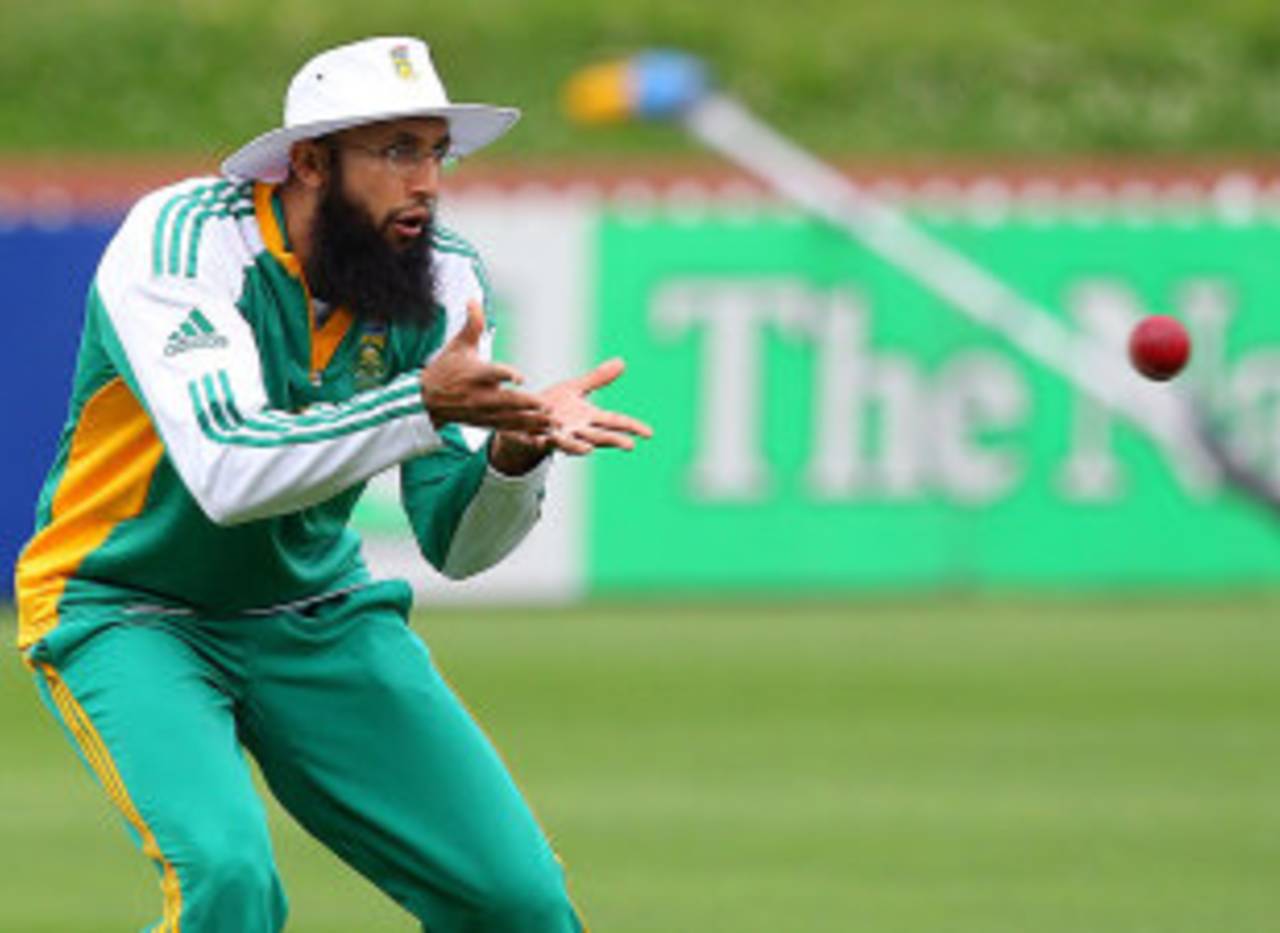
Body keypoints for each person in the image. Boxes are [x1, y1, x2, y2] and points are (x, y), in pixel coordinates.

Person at [13, 36, 650, 932]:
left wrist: (514, 456)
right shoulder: (183, 242)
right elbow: (230, 469)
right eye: (397, 151)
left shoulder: (444, 278)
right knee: (227, 882)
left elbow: (459, 545)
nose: (427, 181)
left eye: (437, 151)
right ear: (308, 163)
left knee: (521, 903)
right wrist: (419, 403)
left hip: (314, 611)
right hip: (128, 603)